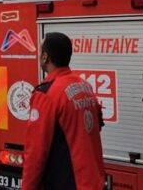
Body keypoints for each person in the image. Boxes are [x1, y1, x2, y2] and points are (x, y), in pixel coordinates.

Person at [22, 32, 107, 190]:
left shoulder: (46, 94)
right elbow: (97, 126)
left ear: (45, 57)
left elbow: (36, 153)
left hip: (68, 182)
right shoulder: (85, 86)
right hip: (93, 180)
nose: (38, 55)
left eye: (40, 52)